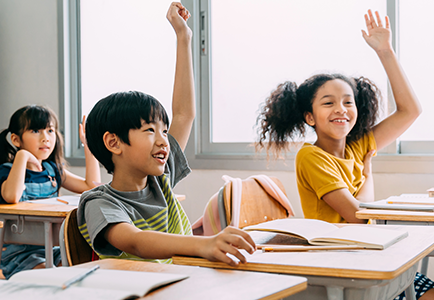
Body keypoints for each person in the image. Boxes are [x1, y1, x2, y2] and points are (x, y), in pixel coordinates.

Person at [256, 9, 434, 299]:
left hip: (368, 252)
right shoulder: (311, 157)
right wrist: (367, 173)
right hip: (342, 264)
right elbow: (358, 216)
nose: (341, 109)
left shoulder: (359, 144)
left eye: (347, 102)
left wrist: (386, 52)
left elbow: (410, 111)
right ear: (310, 117)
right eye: (328, 103)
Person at [77, 2, 255, 267]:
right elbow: (135, 240)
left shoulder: (159, 181)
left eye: (164, 130)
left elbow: (184, 114)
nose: (163, 140)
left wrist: (184, 37)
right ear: (113, 142)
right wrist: (204, 244)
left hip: (179, 283)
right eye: (150, 130)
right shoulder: (98, 202)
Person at [0, 105, 101, 279]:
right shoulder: (7, 171)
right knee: (49, 279)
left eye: (50, 130)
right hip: (21, 254)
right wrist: (22, 156)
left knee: (81, 273)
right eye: (35, 130)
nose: (45, 138)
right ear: (16, 140)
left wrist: (88, 145)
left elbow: (91, 187)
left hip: (55, 248)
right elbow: (11, 196)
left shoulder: (52, 170)